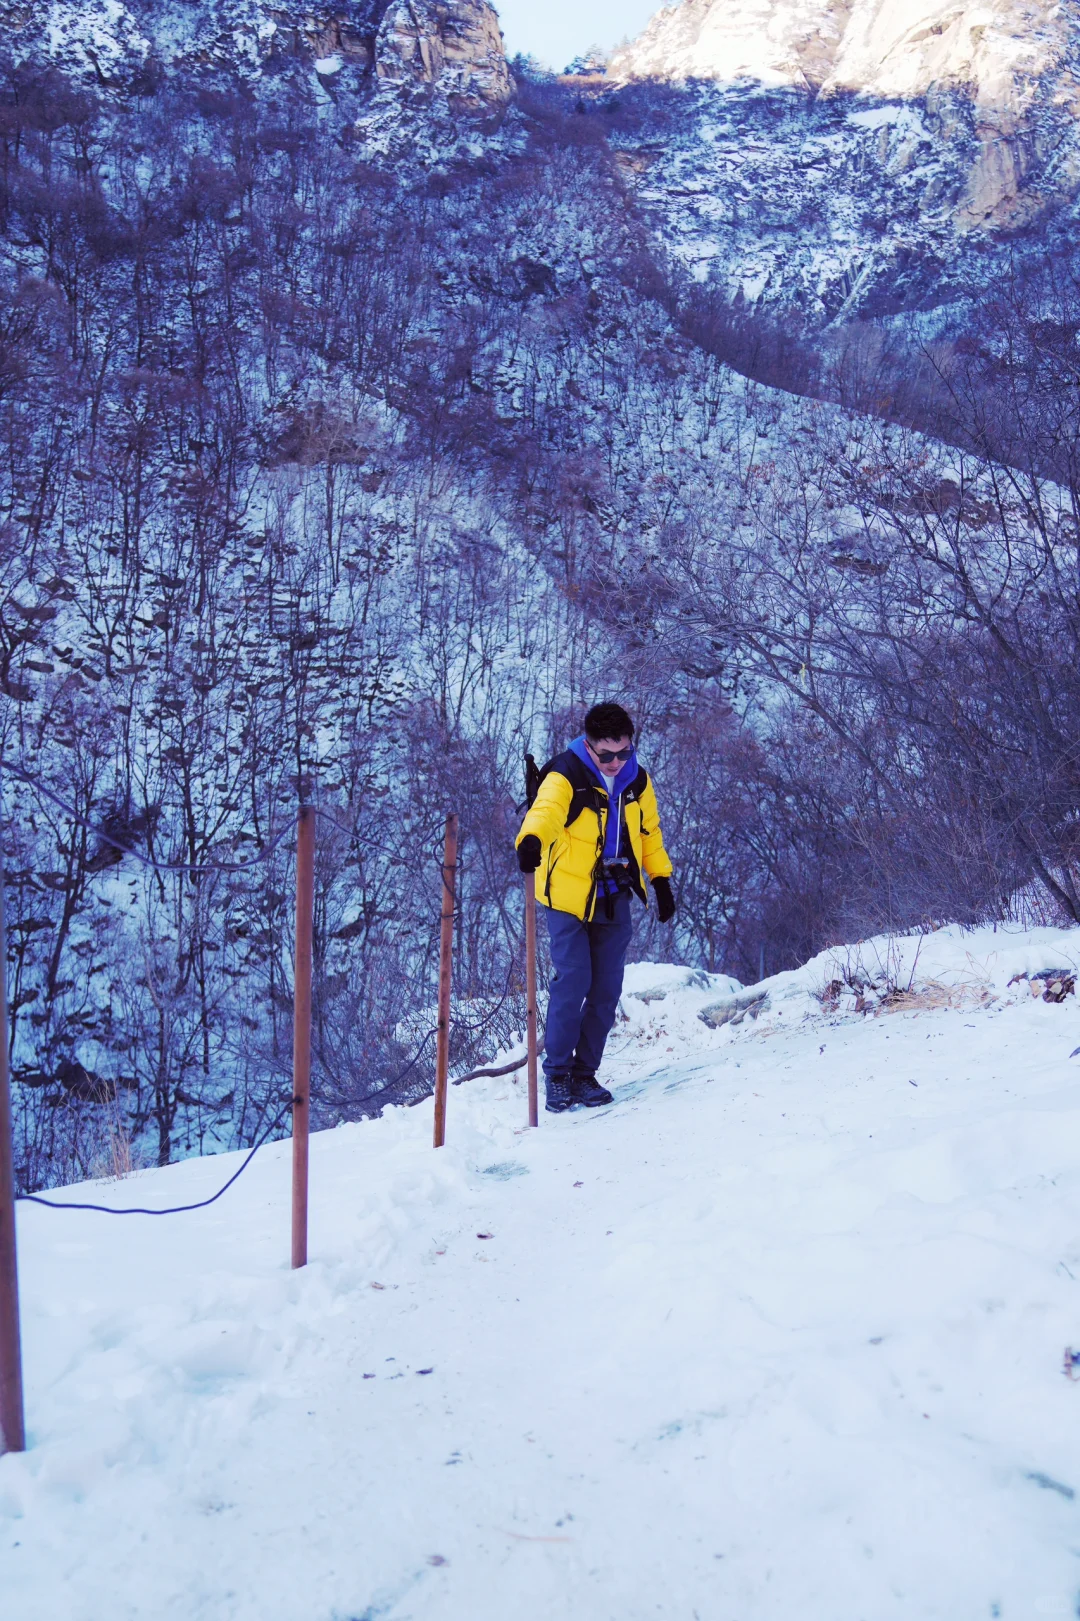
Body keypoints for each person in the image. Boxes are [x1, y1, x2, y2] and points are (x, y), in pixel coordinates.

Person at [515, 702, 676, 1113]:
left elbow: (649, 830)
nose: (615, 762)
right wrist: (531, 840)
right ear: (590, 745)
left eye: (623, 752)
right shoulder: (566, 773)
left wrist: (659, 879)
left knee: (606, 991)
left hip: (614, 894)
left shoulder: (637, 779)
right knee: (573, 982)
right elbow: (545, 812)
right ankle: (557, 1075)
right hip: (567, 897)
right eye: (607, 755)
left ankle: (584, 1075)